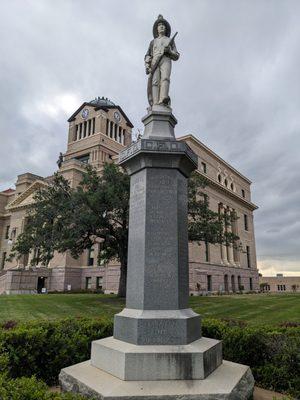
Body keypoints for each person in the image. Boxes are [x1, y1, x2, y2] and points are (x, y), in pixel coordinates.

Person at [145, 15, 179, 107]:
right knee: (155, 81)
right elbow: (148, 55)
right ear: (157, 29)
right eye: (159, 25)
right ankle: (155, 102)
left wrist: (169, 51)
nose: (162, 27)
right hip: (155, 61)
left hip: (166, 59)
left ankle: (163, 98)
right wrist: (147, 66)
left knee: (165, 78)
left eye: (163, 25)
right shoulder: (153, 42)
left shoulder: (169, 40)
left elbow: (176, 55)